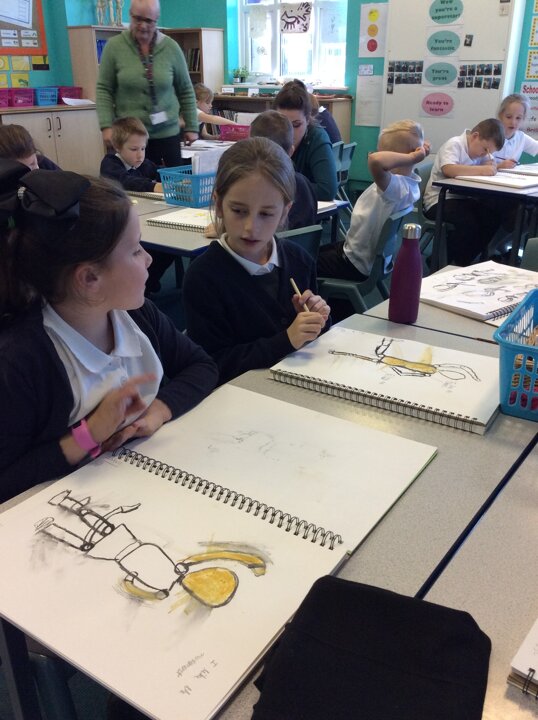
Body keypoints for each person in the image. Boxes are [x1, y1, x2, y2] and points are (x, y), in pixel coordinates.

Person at [0, 160, 218, 501]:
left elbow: (202, 366)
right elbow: (7, 479)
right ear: (90, 278)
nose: (148, 259)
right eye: (136, 250)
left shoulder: (136, 315)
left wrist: (158, 411)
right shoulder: (22, 359)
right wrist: (90, 434)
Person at [182, 137, 331, 385]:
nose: (251, 227)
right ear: (218, 205)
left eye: (266, 214)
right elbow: (213, 364)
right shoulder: (204, 277)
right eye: (239, 211)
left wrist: (318, 319)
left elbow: (313, 340)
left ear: (284, 212)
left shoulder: (299, 261)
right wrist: (286, 340)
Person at [317, 120, 429, 284]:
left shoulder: (395, 188)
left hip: (355, 264)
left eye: (380, 151)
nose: (373, 154)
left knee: (302, 262)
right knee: (312, 251)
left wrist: (412, 156)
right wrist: (416, 155)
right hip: (366, 258)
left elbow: (375, 161)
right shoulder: (409, 185)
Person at [96, 0, 199, 167]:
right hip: (129, 138)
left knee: (172, 181)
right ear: (130, 15)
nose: (143, 25)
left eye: (149, 21)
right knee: (134, 181)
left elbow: (185, 89)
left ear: (156, 19)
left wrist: (192, 126)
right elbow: (104, 89)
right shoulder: (114, 47)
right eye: (138, 19)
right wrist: (106, 126)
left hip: (167, 134)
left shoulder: (171, 48)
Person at [423, 118, 505, 266]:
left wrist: (491, 164)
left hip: (462, 199)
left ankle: (463, 261)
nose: (485, 155)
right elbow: (449, 169)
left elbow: (490, 163)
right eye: (485, 150)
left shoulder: (479, 151)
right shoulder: (454, 144)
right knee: (468, 222)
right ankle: (442, 260)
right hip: (438, 200)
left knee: (492, 218)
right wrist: (482, 170)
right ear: (475, 136)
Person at [250, 110, 317, 230]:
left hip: (273, 242)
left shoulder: (255, 185)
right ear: (291, 151)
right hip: (302, 243)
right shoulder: (303, 183)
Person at [273, 79, 338, 201]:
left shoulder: (317, 137)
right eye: (282, 123)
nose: (289, 131)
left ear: (308, 120)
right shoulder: (268, 133)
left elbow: (327, 190)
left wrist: (278, 186)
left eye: (296, 125)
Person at [100, 116, 163, 193]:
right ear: (117, 147)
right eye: (134, 149)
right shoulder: (109, 164)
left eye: (143, 148)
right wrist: (154, 186)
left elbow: (161, 172)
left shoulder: (144, 164)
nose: (140, 155)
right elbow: (126, 182)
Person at [493, 93, 538, 168]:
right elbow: (476, 164)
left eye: (518, 118)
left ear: (524, 118)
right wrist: (499, 166)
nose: (513, 122)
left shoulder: (521, 137)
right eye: (509, 117)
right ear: (501, 115)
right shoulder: (490, 135)